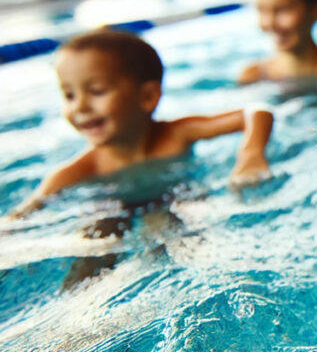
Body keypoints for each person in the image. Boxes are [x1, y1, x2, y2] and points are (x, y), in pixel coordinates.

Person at [11, 30, 274, 217]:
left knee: (168, 226)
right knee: (97, 238)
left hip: (176, 200)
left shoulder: (176, 134)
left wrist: (250, 153)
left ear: (147, 96)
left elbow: (256, 112)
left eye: (97, 91)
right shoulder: (78, 171)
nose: (80, 107)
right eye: (69, 95)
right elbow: (22, 215)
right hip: (109, 207)